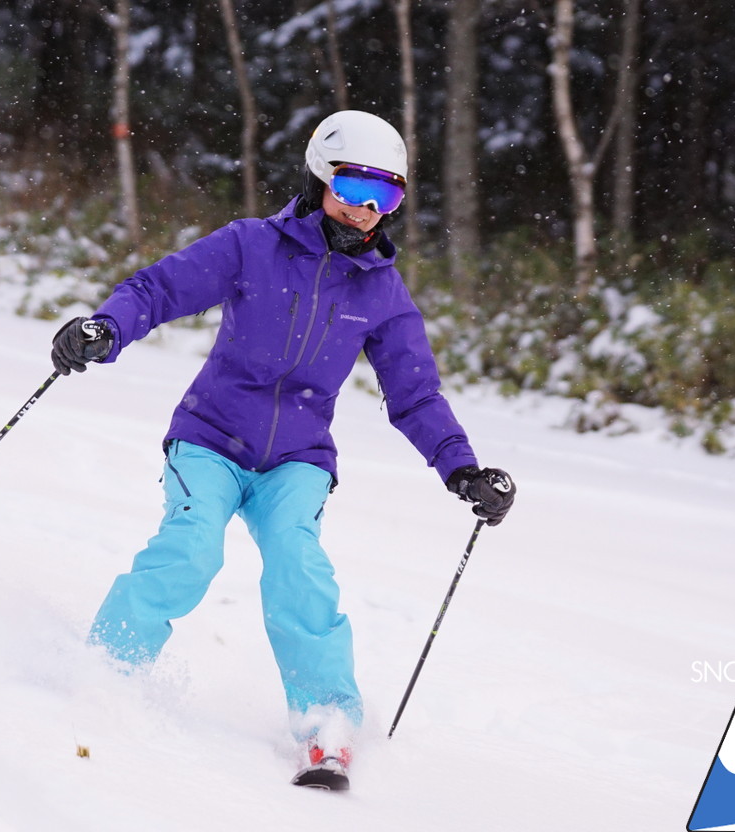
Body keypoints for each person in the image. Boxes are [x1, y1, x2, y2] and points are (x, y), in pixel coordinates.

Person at [51, 110, 515, 789]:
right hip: (210, 437)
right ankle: (108, 670)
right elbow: (161, 288)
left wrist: (462, 468)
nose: (364, 211)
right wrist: (106, 328)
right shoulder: (250, 246)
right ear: (319, 178)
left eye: (384, 198)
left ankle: (327, 722)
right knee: (192, 546)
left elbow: (415, 395)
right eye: (354, 190)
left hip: (297, 459)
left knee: (299, 566)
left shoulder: (383, 293)